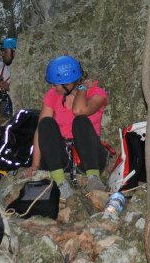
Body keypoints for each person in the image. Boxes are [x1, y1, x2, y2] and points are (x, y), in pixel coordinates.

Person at [24, 55, 109, 198]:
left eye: (55, 84)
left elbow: (79, 110)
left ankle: (93, 178)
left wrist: (82, 88)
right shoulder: (52, 95)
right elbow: (41, 130)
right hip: (61, 158)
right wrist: (35, 164)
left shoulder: (97, 93)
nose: (52, 87)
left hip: (89, 158)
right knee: (46, 122)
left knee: (80, 121)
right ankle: (60, 182)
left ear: (68, 83)